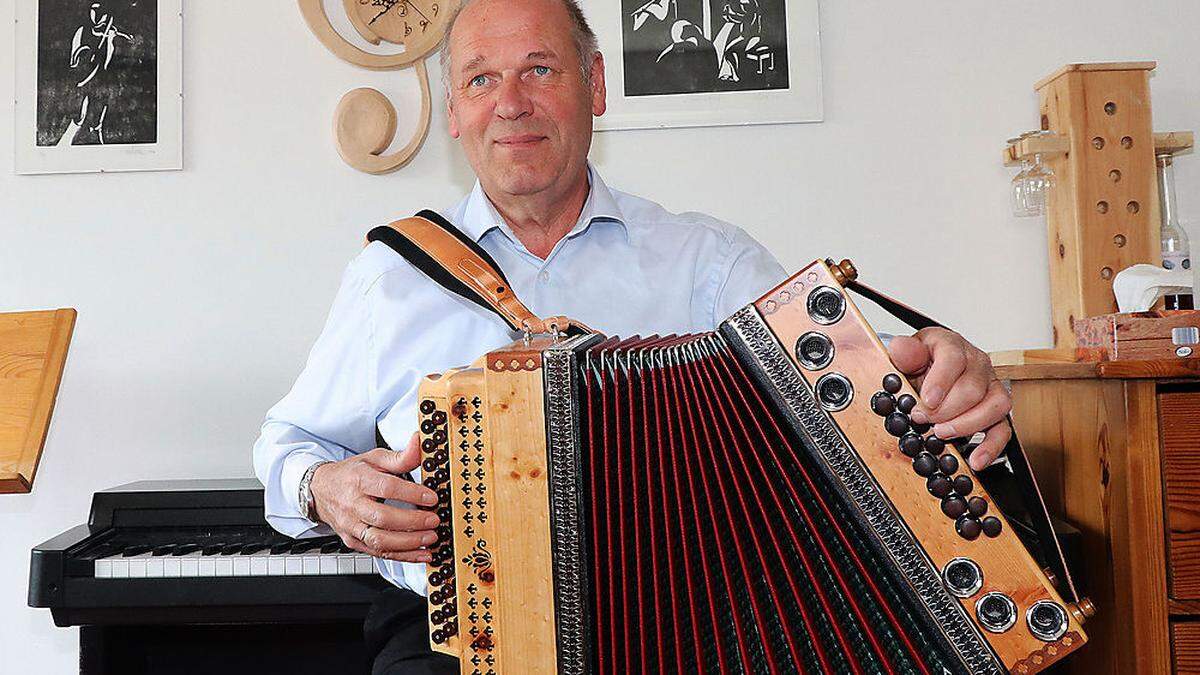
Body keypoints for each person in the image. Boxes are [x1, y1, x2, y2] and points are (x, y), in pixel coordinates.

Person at [252, 0, 1013, 672]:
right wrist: (324, 488)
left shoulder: (706, 261)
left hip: (692, 624)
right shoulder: (393, 275)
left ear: (596, 86)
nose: (510, 103)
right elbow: (289, 441)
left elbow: (859, 376)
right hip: (451, 641)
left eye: (540, 69)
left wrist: (944, 368)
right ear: (455, 112)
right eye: (481, 79)